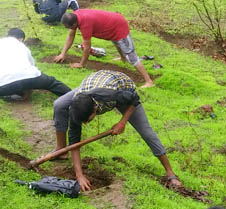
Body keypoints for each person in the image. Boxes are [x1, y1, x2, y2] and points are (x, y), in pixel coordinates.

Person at [52, 70, 181, 191]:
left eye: (88, 120)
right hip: (95, 83)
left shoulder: (111, 95)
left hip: (123, 87)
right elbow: (75, 142)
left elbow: (134, 99)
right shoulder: (76, 106)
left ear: (95, 108)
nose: (85, 123)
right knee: (59, 104)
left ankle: (170, 173)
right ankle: (61, 150)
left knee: (146, 132)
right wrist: (79, 175)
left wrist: (122, 122)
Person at [54, 10, 154, 87]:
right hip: (111, 24)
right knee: (116, 42)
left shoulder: (85, 24)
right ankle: (122, 58)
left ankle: (148, 81)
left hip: (119, 26)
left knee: (131, 55)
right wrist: (63, 54)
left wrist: (81, 64)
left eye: (68, 27)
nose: (68, 29)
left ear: (74, 24)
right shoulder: (75, 16)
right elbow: (71, 36)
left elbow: (87, 48)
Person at [0, 28, 71, 100]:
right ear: (21, 39)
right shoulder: (22, 45)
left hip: (7, 83)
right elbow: (32, 65)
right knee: (52, 83)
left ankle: (20, 91)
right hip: (32, 77)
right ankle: (73, 96)